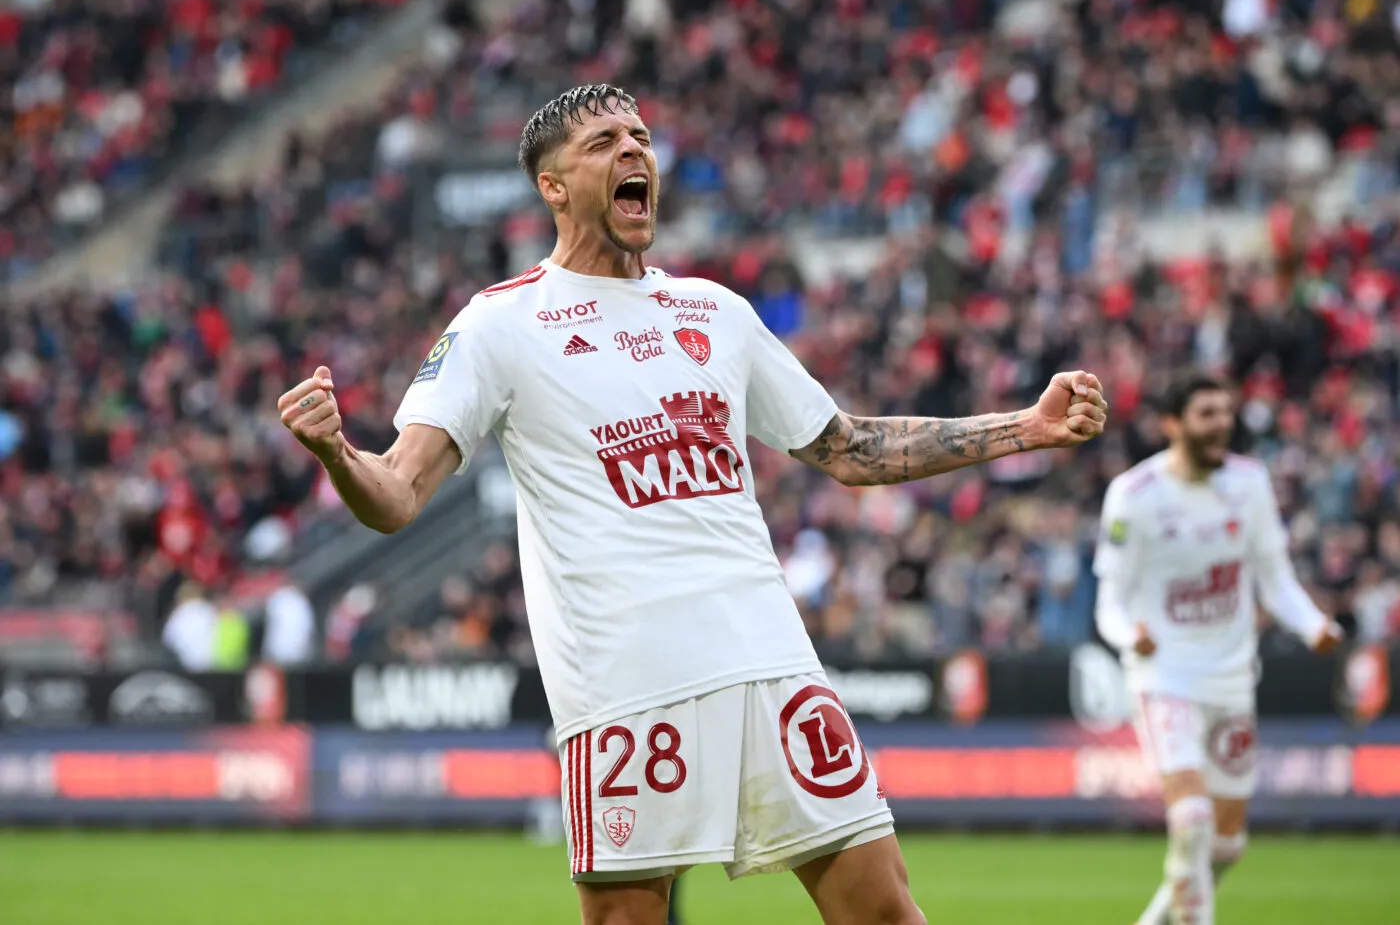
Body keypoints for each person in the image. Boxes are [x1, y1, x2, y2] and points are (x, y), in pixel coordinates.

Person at [278, 84, 1109, 925]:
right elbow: (396, 495)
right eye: (604, 142)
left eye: (640, 136)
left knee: (887, 911)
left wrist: (1024, 427)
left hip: (770, 660)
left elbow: (849, 450)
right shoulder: (499, 325)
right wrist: (337, 454)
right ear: (553, 185)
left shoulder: (716, 311)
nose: (634, 151)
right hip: (628, 683)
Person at [1093, 373, 1342, 925]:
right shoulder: (1134, 496)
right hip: (1164, 677)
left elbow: (1274, 579)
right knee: (1193, 822)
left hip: (1231, 678)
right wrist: (1129, 635)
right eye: (1207, 413)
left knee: (1225, 846)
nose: (1221, 423)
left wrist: (1312, 625)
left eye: (1226, 412)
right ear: (1173, 424)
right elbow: (1109, 601)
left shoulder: (1250, 484)